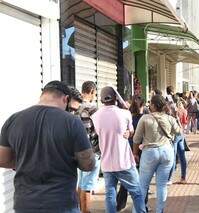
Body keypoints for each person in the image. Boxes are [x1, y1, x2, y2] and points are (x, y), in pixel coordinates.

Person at [0, 81, 95, 213]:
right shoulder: (72, 122)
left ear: (43, 95)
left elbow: (3, 159)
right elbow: (88, 164)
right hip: (62, 204)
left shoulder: (13, 120)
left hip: (24, 205)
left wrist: (28, 159)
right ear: (66, 99)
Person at [91, 86, 146, 213]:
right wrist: (129, 132)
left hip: (106, 163)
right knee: (136, 193)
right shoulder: (125, 113)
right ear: (115, 98)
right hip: (124, 162)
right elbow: (131, 131)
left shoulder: (95, 116)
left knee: (110, 194)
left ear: (101, 99)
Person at [133, 95, 180, 213]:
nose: (149, 105)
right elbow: (179, 132)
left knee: (143, 185)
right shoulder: (169, 118)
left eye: (150, 103)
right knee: (162, 185)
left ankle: (138, 211)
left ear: (153, 105)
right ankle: (160, 211)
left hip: (149, 153)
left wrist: (135, 153)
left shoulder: (145, 118)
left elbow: (136, 139)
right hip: (167, 152)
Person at [116, 96, 147, 212]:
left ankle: (120, 204)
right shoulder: (144, 118)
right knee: (142, 180)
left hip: (127, 150)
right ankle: (143, 205)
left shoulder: (127, 117)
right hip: (141, 150)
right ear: (142, 106)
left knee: (126, 179)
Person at [77, 81, 101, 213]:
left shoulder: (75, 108)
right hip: (92, 151)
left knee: (81, 182)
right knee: (87, 185)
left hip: (78, 151)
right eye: (95, 93)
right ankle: (85, 211)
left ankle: (80, 209)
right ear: (92, 91)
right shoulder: (93, 109)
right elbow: (99, 130)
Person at [168, 100, 188, 185]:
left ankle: (169, 179)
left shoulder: (171, 116)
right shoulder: (182, 111)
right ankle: (183, 177)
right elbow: (183, 124)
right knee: (182, 156)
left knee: (173, 157)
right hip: (181, 134)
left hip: (175, 136)